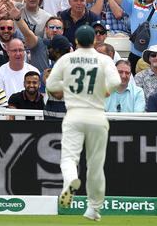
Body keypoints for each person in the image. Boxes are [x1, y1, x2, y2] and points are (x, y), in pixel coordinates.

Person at [48, 25, 121, 221]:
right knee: (96, 165)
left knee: (69, 158)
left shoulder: (66, 59)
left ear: (76, 42)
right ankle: (93, 209)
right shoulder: (104, 59)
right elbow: (116, 82)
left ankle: (70, 180)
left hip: (74, 114)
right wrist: (104, 90)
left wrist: (69, 86)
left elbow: (51, 85)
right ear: (94, 41)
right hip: (97, 115)